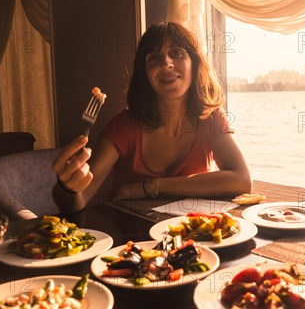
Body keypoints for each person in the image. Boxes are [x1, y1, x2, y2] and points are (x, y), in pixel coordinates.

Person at [52, 22, 252, 213]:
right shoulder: (124, 126)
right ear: (145, 74)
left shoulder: (211, 117)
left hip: (187, 233)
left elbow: (242, 181)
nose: (166, 63)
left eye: (176, 53)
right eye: (154, 58)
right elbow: (76, 203)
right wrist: (67, 188)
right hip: (128, 234)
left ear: (194, 63)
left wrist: (149, 187)